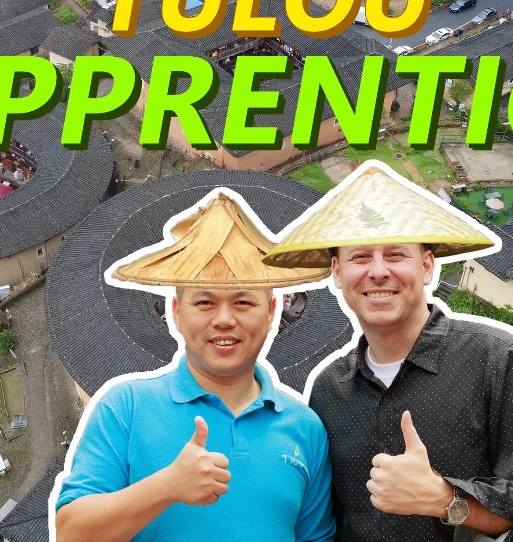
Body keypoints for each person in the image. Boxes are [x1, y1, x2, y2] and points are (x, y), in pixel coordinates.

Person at [264, 163, 513, 542]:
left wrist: (446, 499)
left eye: (396, 255)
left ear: (428, 266)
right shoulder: (329, 390)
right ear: (337, 272)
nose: (378, 271)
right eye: (360, 257)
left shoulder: (497, 360)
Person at [53, 191, 336, 542]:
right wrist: (166, 486)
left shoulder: (306, 428)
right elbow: (71, 533)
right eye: (204, 302)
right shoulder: (124, 407)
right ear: (176, 312)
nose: (224, 319)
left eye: (243, 302)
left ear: (271, 312)